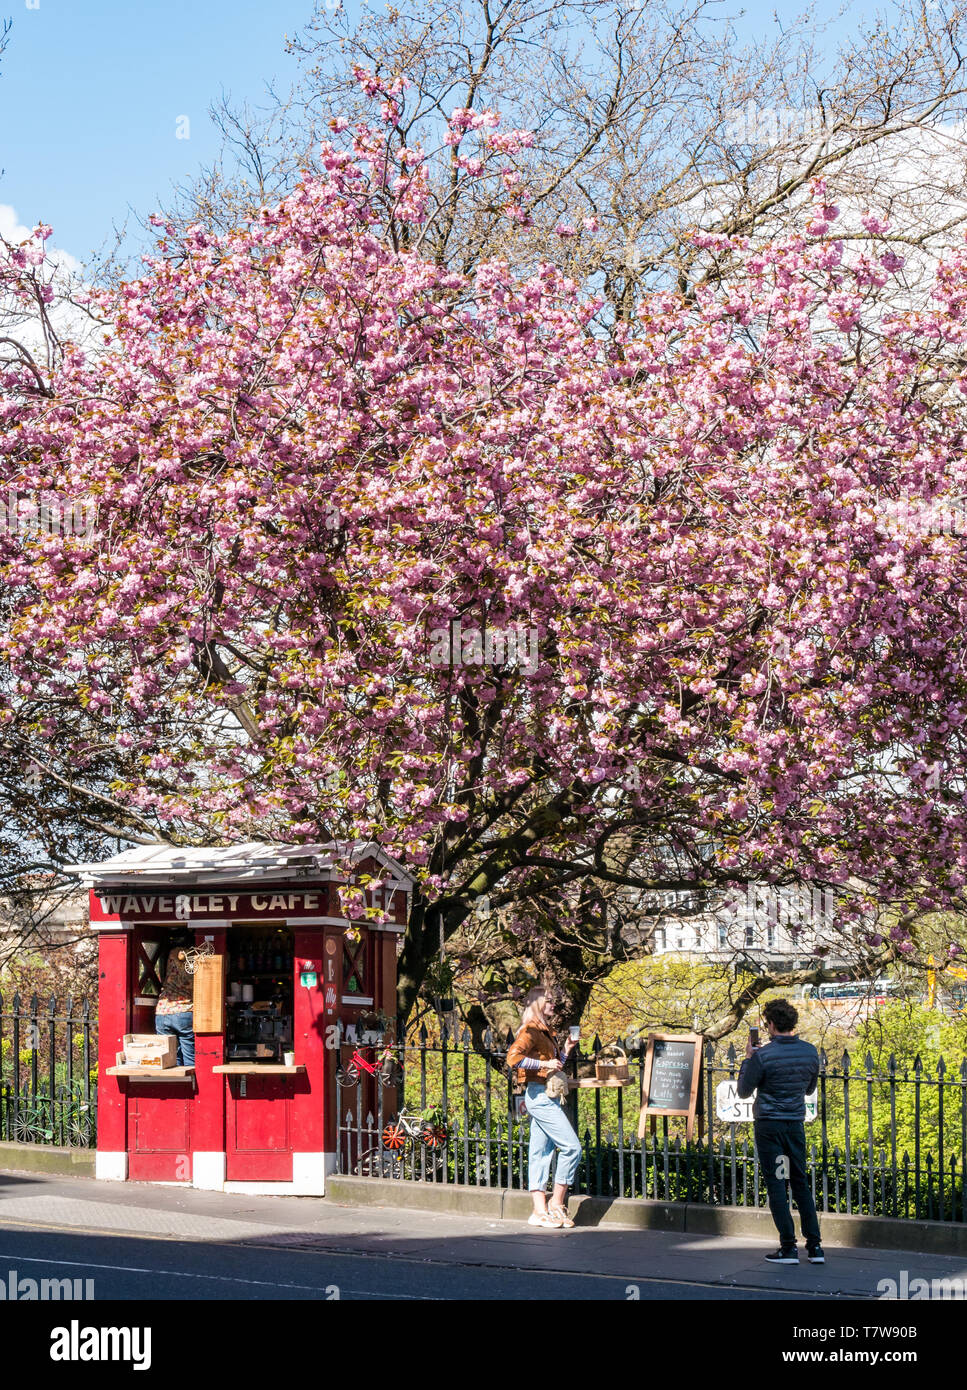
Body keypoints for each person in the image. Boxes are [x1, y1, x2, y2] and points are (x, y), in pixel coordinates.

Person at [737, 997, 824, 1265]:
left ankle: (788, 1247)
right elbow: (809, 1089)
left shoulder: (763, 1056)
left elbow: (743, 1091)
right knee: (800, 1183)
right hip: (795, 1124)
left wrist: (748, 1058)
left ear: (771, 1025)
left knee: (777, 1183)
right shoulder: (810, 1052)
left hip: (769, 1126)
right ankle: (815, 1247)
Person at [506, 986, 582, 1229]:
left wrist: (567, 1048)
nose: (553, 1005)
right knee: (572, 1148)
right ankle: (556, 1204)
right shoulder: (529, 1030)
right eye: (549, 1001)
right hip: (539, 1096)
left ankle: (538, 1211)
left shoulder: (544, 1031)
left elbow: (554, 1066)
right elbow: (513, 1058)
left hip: (545, 1094)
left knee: (540, 1154)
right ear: (537, 1003)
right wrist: (544, 1061)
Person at [154, 936, 196, 1067]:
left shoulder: (172, 955)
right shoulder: (196, 958)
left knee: (169, 1058)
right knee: (190, 1057)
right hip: (184, 1009)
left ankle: (175, 1084)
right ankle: (192, 1085)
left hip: (163, 1010)